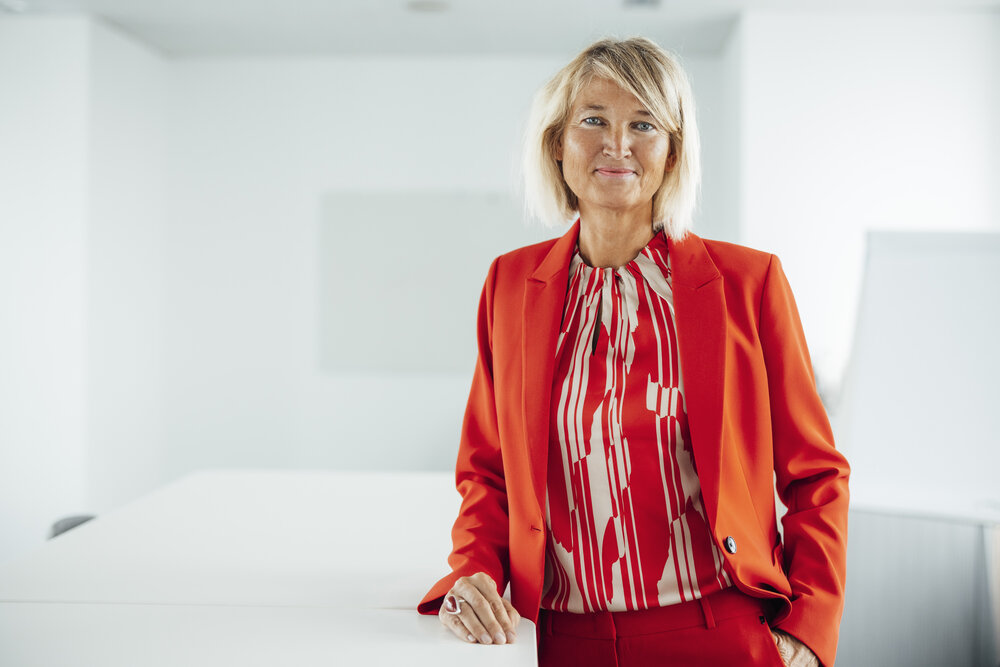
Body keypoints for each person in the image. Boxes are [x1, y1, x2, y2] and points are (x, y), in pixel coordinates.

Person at [417, 36, 849, 667]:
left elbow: (816, 474)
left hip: (718, 631)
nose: (617, 144)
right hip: (558, 641)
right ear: (557, 143)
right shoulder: (510, 285)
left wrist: (807, 632)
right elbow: (487, 472)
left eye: (643, 123)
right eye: (593, 120)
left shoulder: (748, 283)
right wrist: (471, 575)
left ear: (672, 152)